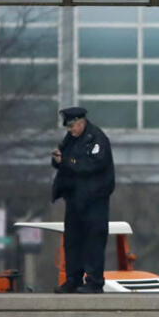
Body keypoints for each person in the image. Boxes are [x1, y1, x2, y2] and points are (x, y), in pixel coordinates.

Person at [50, 106, 115, 294]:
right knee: (72, 241)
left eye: (72, 127)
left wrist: (67, 161)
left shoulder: (96, 139)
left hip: (94, 198)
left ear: (81, 122)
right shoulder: (71, 139)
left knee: (93, 240)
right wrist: (57, 160)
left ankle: (94, 281)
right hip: (74, 197)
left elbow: (91, 165)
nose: (70, 131)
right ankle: (73, 279)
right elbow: (63, 160)